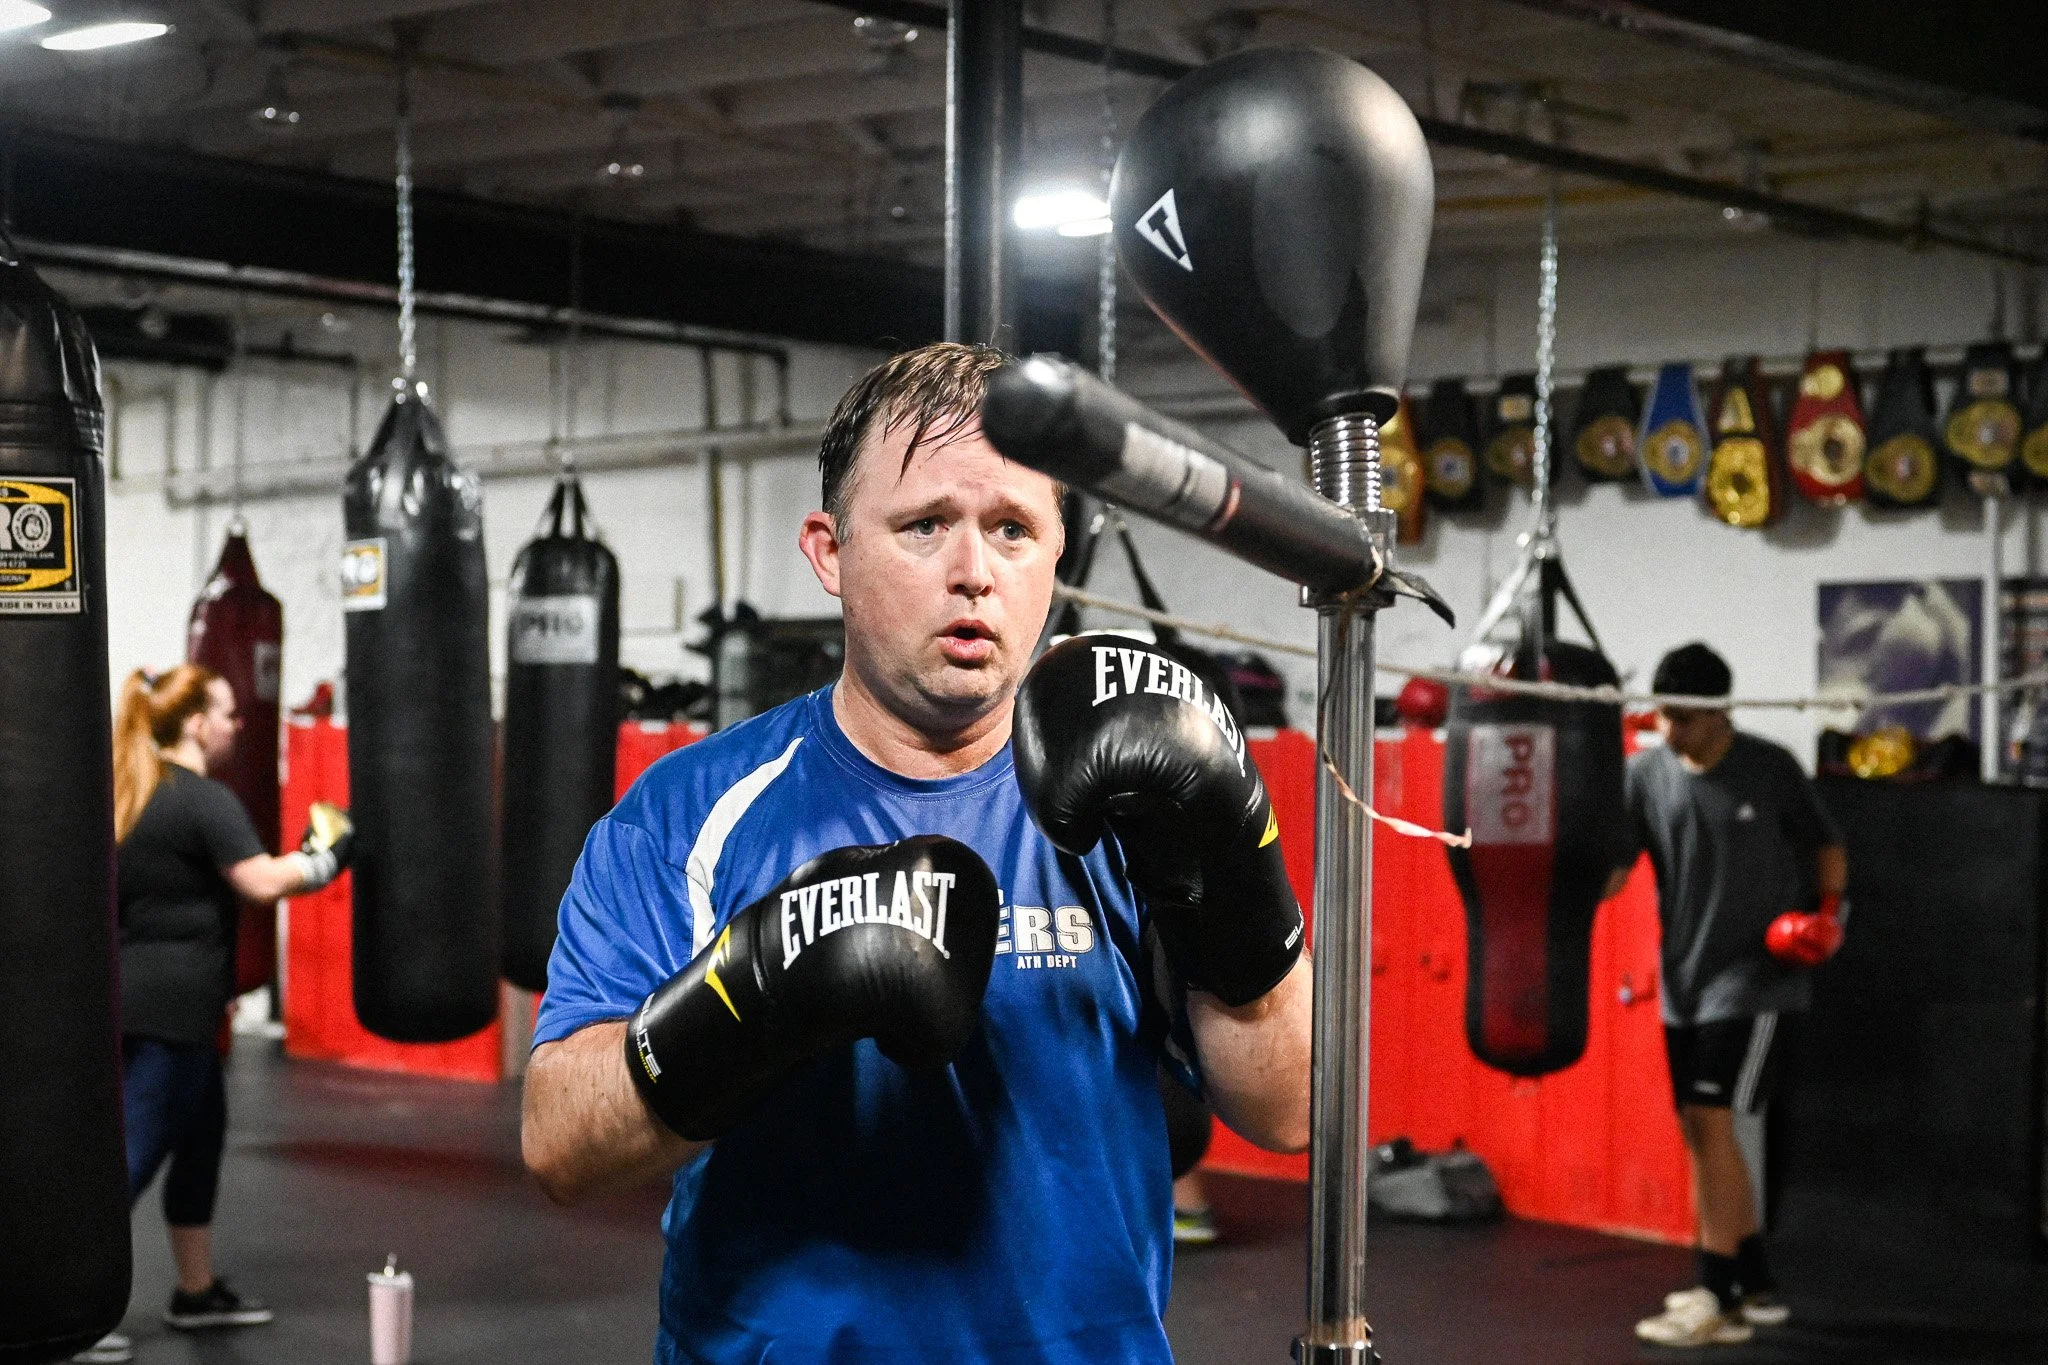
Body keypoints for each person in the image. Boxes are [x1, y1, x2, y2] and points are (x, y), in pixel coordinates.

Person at [521, 342, 1313, 1362]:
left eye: (1012, 530)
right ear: (829, 550)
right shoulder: (690, 814)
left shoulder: (1134, 803)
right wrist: (751, 997)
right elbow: (557, 1146)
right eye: (924, 525)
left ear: (1056, 555)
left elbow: (1288, 1111)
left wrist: (1232, 875)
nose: (973, 572)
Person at [75, 665, 352, 1365]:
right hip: (172, 1010)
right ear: (195, 723)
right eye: (226, 712)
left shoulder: (133, 794)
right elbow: (262, 881)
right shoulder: (203, 799)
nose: (236, 724)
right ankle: (71, 1307)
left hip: (155, 1003)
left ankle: (194, 1292)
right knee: (135, 1155)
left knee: (199, 1145)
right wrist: (328, 855)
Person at [1610, 643, 1847, 1349]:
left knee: (1711, 1122)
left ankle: (1717, 1296)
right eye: (1664, 716)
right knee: (1698, 1129)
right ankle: (1754, 1281)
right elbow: (1616, 874)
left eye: (1684, 716)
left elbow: (1826, 844)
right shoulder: (1643, 774)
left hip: (1755, 978)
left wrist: (1830, 914)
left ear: (1721, 710)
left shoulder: (1770, 767)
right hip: (1684, 980)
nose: (1671, 729)